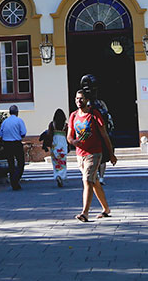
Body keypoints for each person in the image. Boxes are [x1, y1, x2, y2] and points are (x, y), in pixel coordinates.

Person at [68, 86, 116, 222]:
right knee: (94, 182)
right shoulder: (73, 116)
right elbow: (69, 136)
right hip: (80, 154)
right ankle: (106, 209)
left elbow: (104, 135)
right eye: (77, 98)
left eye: (81, 98)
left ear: (87, 100)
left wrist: (111, 154)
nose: (78, 101)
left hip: (94, 153)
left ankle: (85, 213)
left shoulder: (94, 114)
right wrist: (73, 142)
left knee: (87, 180)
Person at [79, 74, 115, 184]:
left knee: (102, 157)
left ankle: (100, 177)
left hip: (100, 133)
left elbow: (106, 116)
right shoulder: (87, 106)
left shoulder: (99, 104)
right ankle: (96, 177)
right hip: (92, 136)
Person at [0, 104, 28, 190]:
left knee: (10, 163)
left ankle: (13, 181)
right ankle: (15, 180)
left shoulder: (5, 122)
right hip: (16, 143)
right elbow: (23, 133)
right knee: (21, 163)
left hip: (7, 144)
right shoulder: (19, 121)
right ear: (17, 112)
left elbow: (0, 134)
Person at [49, 108, 68, 187]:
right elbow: (67, 134)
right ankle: (61, 175)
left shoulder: (52, 124)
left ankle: (57, 175)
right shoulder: (65, 125)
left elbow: (49, 134)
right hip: (63, 142)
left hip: (55, 142)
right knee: (62, 160)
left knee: (55, 160)